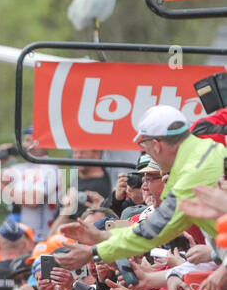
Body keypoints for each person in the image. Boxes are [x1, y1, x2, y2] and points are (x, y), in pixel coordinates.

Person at [57, 106, 226, 271]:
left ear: (156, 145)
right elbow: (152, 228)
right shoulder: (208, 149)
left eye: (144, 146)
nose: (146, 153)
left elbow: (154, 231)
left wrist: (93, 253)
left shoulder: (191, 175)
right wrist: (103, 237)